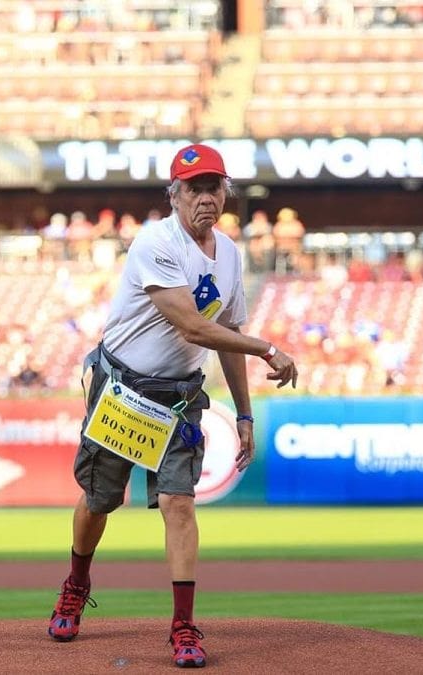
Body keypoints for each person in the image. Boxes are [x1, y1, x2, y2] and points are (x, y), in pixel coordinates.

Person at [46, 144, 299, 668]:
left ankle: (184, 628)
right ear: (176, 195)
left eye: (213, 187)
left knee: (179, 504)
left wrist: (246, 414)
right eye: (194, 188)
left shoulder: (229, 254)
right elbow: (191, 324)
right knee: (99, 501)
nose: (205, 197)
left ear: (226, 192)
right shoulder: (155, 242)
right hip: (124, 390)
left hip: (180, 397)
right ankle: (76, 583)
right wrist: (268, 348)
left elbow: (225, 336)